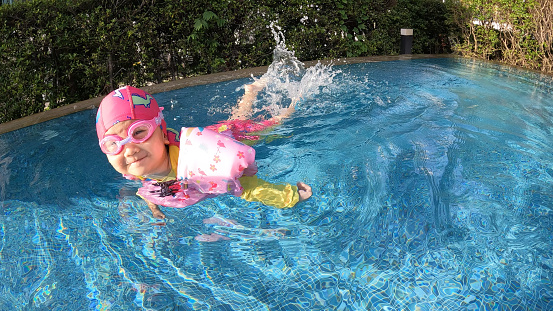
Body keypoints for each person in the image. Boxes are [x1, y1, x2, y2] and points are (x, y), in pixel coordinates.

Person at [95, 82, 311, 220]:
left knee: (273, 127)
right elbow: (147, 185)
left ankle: (298, 102)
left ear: (162, 133)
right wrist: (154, 208)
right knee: (238, 118)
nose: (129, 150)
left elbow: (247, 188)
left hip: (224, 140)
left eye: (139, 132)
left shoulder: (194, 160)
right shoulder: (134, 167)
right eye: (113, 144)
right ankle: (250, 92)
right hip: (210, 137)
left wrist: (290, 196)